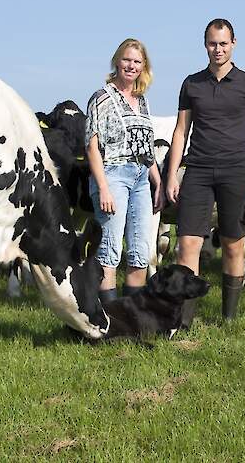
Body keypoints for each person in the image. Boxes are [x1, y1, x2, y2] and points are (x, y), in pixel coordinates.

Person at [166, 18, 245, 322]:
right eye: (213, 43)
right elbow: (181, 131)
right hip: (198, 169)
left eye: (223, 43)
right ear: (205, 45)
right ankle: (184, 320)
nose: (218, 49)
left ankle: (229, 319)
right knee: (187, 244)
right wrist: (172, 174)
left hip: (237, 170)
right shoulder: (191, 83)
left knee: (234, 246)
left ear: (233, 44)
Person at [85, 38, 163, 304]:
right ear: (117, 62)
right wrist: (104, 188)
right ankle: (108, 317)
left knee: (140, 251)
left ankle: (133, 317)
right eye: (127, 59)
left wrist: (157, 182)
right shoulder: (101, 98)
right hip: (113, 175)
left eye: (137, 61)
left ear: (144, 67)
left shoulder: (142, 101)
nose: (131, 66)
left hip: (141, 178)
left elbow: (146, 149)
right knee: (110, 250)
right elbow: (92, 147)